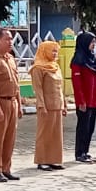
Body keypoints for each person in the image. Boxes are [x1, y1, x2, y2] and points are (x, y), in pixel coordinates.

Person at [0, 29, 25, 182]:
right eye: (7, 39)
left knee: (10, 138)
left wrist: (19, 104)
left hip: (12, 102)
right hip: (0, 101)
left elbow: (17, 84)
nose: (11, 42)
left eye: (11, 39)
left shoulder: (10, 59)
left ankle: (6, 168)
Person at [32, 40, 68, 171]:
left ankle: (54, 159)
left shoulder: (56, 67)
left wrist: (64, 104)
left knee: (56, 134)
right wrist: (41, 105)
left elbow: (60, 87)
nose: (54, 53)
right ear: (44, 51)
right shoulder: (38, 68)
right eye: (52, 50)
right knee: (44, 133)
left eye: (56, 51)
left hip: (57, 104)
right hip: (46, 106)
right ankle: (42, 160)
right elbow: (38, 88)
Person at [70, 31, 96, 164]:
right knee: (83, 127)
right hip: (84, 101)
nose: (93, 44)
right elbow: (77, 84)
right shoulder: (78, 60)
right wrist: (81, 101)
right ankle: (79, 153)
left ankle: (86, 151)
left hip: (94, 99)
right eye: (91, 42)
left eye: (94, 42)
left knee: (90, 128)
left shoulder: (94, 58)